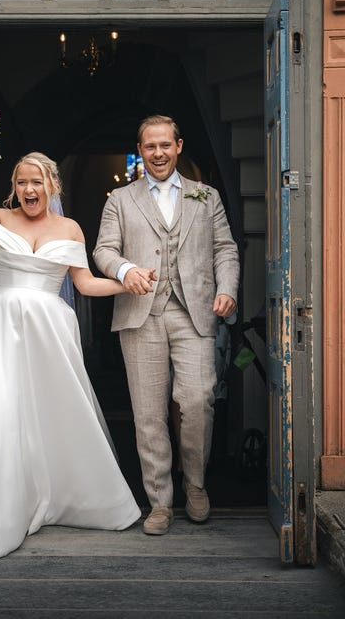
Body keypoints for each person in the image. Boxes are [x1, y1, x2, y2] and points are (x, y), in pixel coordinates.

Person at [0, 152, 144, 558]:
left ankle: (60, 494)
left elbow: (85, 284)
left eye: (36, 182)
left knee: (54, 409)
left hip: (50, 331)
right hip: (0, 326)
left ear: (52, 186)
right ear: (14, 187)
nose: (28, 189)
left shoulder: (70, 229)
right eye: (21, 182)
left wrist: (127, 283)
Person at [93, 115, 239, 535]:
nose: (157, 153)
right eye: (149, 146)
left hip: (194, 312)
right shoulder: (121, 199)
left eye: (164, 145)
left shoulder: (205, 196)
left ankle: (195, 483)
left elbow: (225, 249)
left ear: (178, 146)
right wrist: (125, 271)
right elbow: (103, 250)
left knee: (197, 400)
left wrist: (227, 288)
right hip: (140, 313)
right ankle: (159, 501)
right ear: (141, 150)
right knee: (148, 412)